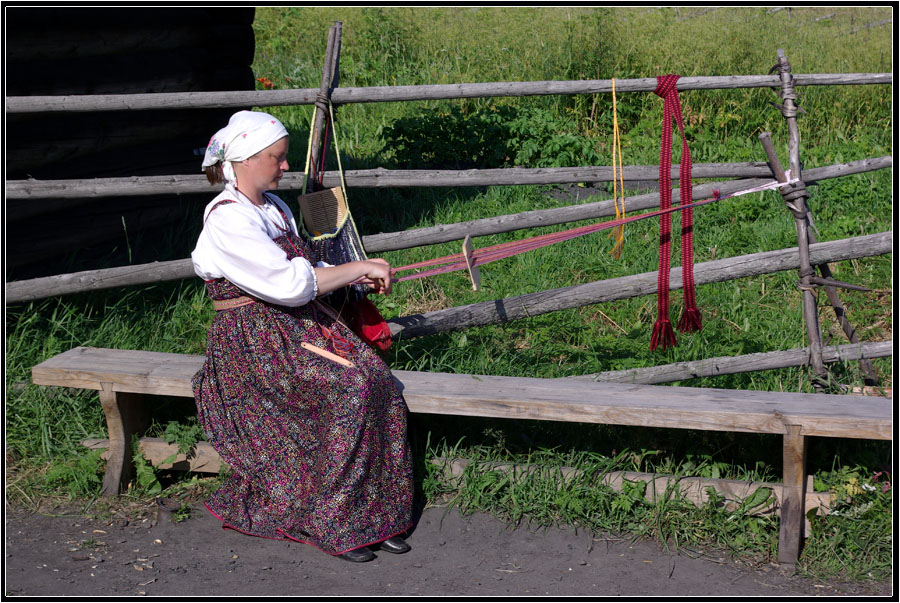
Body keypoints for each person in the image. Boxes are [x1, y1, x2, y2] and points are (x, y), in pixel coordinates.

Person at [191, 110, 414, 563]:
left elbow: (307, 273)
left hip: (293, 334)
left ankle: (375, 515)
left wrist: (351, 280)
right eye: (277, 158)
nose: (285, 166)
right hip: (252, 348)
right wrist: (358, 267)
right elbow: (289, 286)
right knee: (350, 391)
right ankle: (336, 520)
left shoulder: (275, 209)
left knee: (379, 384)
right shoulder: (226, 220)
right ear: (247, 159)